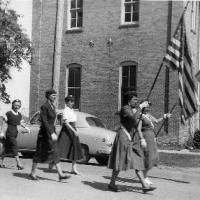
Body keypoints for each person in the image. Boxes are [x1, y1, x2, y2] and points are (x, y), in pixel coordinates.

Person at [107, 91, 156, 193]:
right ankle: (112, 183)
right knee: (120, 160)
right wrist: (140, 107)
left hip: (133, 138)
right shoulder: (125, 109)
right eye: (135, 100)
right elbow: (133, 119)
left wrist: (141, 111)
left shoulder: (134, 109)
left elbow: (137, 122)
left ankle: (144, 185)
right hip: (124, 136)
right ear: (129, 101)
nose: (137, 102)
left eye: (137, 100)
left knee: (138, 160)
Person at [30, 89, 69, 181]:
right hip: (44, 134)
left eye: (55, 95)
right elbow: (44, 121)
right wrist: (51, 133)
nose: (55, 97)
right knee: (39, 153)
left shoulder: (52, 106)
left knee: (55, 152)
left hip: (51, 132)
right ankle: (32, 173)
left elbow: (52, 120)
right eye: (53, 95)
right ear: (48, 96)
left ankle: (61, 174)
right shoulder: (44, 106)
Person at [140, 103, 171, 186]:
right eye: (147, 107)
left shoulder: (148, 115)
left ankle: (145, 176)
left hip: (151, 137)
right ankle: (144, 177)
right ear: (143, 107)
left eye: (149, 107)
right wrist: (142, 139)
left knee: (153, 156)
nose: (149, 108)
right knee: (148, 157)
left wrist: (164, 117)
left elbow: (156, 121)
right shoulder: (141, 116)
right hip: (146, 137)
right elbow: (138, 128)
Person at [0, 99, 30, 169]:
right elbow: (4, 123)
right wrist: (1, 132)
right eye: (15, 105)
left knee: (6, 148)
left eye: (18, 105)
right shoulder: (9, 113)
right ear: (13, 105)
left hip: (15, 132)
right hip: (9, 133)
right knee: (15, 146)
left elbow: (21, 123)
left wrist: (27, 128)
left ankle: (1, 163)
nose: (17, 106)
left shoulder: (19, 114)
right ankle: (19, 163)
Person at [57, 95, 83, 175]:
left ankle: (74, 168)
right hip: (67, 130)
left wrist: (75, 130)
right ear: (66, 102)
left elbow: (74, 122)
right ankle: (52, 163)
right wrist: (73, 131)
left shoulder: (72, 110)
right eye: (70, 101)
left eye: (73, 101)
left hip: (73, 129)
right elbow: (66, 123)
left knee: (74, 148)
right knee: (60, 148)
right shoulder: (66, 110)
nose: (72, 103)